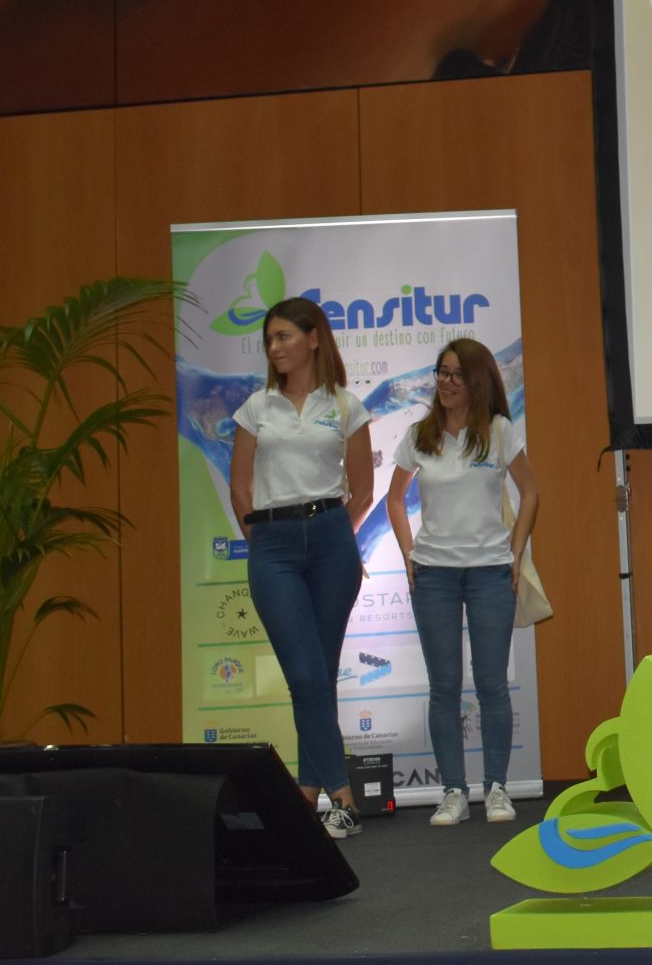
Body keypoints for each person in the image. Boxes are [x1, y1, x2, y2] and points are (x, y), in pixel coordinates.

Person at [229, 297, 375, 838]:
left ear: (314, 338)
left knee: (319, 676)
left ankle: (307, 794)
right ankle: (344, 797)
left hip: (332, 541)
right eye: (270, 340)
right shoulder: (256, 408)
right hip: (273, 546)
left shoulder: (345, 405)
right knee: (306, 675)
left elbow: (363, 489)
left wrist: (331, 532)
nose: (275, 347)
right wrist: (266, 539)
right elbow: (240, 487)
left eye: (284, 336)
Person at [386, 338, 539, 828]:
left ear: (477, 381)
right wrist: (408, 553)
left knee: (492, 684)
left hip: (490, 572)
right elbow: (394, 499)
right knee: (444, 687)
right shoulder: (420, 434)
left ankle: (496, 788)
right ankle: (452, 790)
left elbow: (531, 491)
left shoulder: (498, 431)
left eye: (456, 374)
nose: (445, 382)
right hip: (433, 575)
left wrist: (516, 551)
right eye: (441, 372)